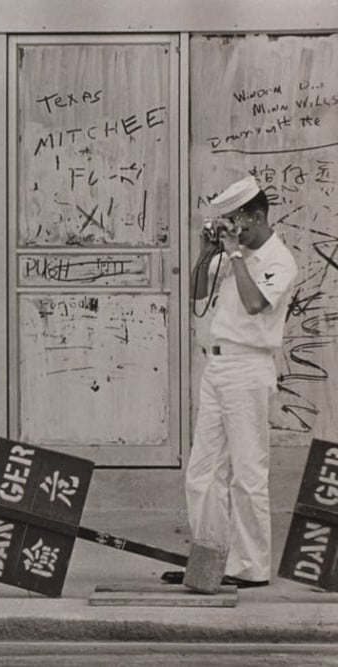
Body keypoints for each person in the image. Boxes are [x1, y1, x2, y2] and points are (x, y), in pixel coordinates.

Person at [161, 175, 298, 588]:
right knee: (202, 473)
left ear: (255, 218)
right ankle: (209, 562)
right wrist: (207, 252)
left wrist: (236, 255)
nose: (232, 229)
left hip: (249, 368)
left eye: (236, 220)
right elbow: (198, 294)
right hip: (216, 367)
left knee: (248, 472)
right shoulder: (233, 253)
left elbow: (256, 304)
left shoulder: (279, 259)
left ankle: (251, 567)